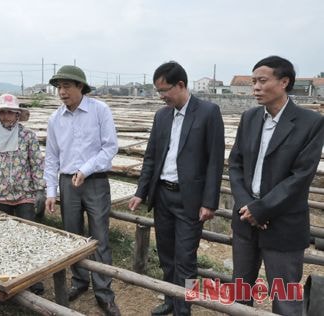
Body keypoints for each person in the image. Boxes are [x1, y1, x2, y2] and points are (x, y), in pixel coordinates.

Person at [229, 56, 324, 315]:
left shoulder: (310, 123)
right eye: (253, 82)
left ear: (284, 82)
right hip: (245, 220)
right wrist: (248, 206)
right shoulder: (249, 118)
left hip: (283, 224)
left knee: (285, 298)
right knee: (241, 290)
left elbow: (300, 176)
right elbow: (235, 165)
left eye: (262, 81)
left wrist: (262, 209)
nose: (255, 88)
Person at [128, 61, 225, 316]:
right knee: (167, 255)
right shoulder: (162, 115)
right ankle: (171, 300)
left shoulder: (208, 112)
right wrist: (141, 191)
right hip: (163, 196)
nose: (161, 96)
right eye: (158, 91)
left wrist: (209, 202)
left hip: (189, 200)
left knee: (186, 259)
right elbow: (151, 157)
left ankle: (185, 308)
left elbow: (215, 161)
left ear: (181, 85)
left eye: (165, 90)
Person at [44, 65, 120, 316]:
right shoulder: (55, 119)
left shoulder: (100, 111)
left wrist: (85, 170)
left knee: (99, 237)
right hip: (68, 183)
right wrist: (51, 191)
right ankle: (79, 281)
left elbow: (109, 148)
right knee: (73, 236)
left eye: (67, 86)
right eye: (59, 87)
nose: (62, 92)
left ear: (80, 87)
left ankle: (104, 292)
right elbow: (52, 157)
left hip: (95, 180)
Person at [0, 93, 46, 294]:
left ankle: (33, 279)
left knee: (27, 236)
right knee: (5, 238)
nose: (6, 117)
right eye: (2, 112)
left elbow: (37, 164)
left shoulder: (27, 136)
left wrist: (40, 190)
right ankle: (10, 275)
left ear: (18, 115)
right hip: (0, 195)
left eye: (10, 113)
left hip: (24, 195)